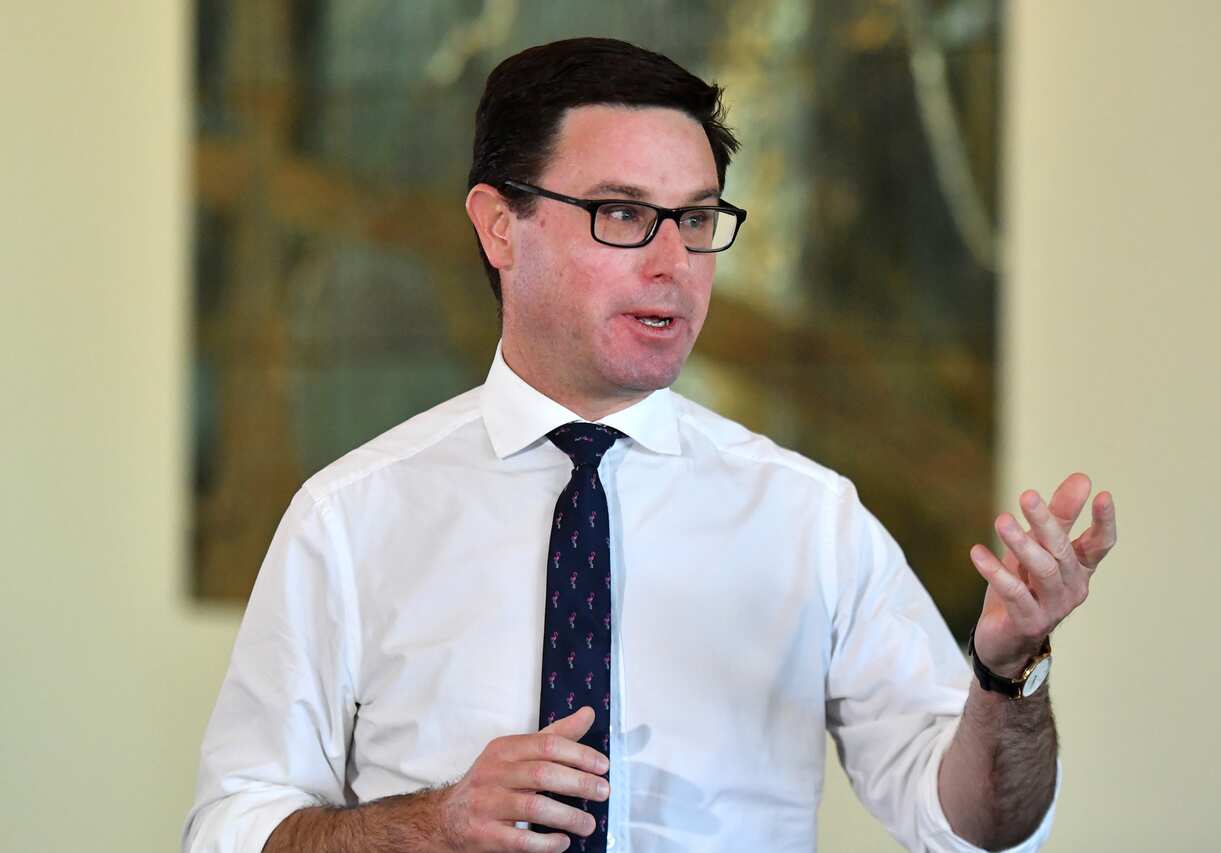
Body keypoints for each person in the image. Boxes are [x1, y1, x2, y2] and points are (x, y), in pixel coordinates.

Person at [182, 37, 1117, 853]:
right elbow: (232, 828)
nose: (674, 264)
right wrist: (431, 827)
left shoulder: (809, 518)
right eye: (623, 215)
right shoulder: (352, 516)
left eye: (699, 220)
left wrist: (1009, 672)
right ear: (500, 225)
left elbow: (979, 829)